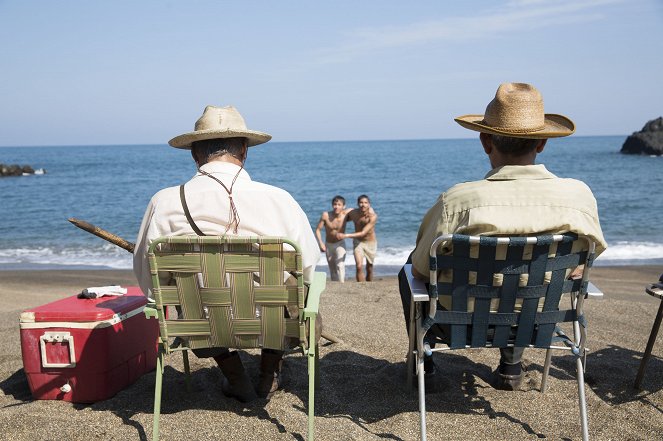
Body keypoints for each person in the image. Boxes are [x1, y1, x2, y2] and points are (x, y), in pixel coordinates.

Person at [399, 83, 607, 390]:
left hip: (459, 323)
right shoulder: (578, 197)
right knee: (531, 284)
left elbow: (420, 270)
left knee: (408, 271)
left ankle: (424, 365)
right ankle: (511, 367)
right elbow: (581, 266)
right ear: (543, 142)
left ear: (485, 141)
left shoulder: (457, 201)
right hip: (540, 322)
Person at [133, 105, 320, 403]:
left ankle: (235, 376)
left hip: (200, 325)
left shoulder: (164, 202)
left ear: (195, 154)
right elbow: (308, 266)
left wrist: (169, 294)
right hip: (274, 325)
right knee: (294, 295)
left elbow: (150, 280)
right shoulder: (279, 199)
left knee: (195, 300)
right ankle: (268, 374)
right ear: (244, 151)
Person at [337, 195, 378, 282]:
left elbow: (363, 232)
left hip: (370, 242)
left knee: (369, 267)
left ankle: (369, 285)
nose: (363, 205)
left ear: (369, 204)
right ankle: (361, 287)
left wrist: (345, 235)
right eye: (361, 202)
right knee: (359, 266)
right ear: (358, 204)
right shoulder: (353, 213)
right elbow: (342, 215)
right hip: (358, 242)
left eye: (365, 203)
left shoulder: (373, 216)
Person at [315, 195, 349, 282]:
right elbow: (318, 230)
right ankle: (335, 286)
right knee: (332, 268)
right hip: (329, 244)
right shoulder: (326, 215)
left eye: (339, 204)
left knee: (340, 264)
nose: (336, 206)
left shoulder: (345, 215)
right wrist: (321, 243)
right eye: (334, 204)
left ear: (343, 206)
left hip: (340, 243)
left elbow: (358, 212)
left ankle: (342, 284)